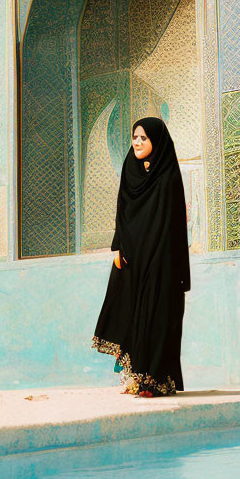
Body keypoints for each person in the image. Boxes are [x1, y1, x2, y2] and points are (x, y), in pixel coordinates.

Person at [91, 117, 190, 397]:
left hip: (161, 258)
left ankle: (156, 381)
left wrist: (161, 259)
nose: (137, 142)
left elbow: (172, 225)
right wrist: (117, 246)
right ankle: (135, 379)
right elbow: (122, 209)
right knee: (130, 314)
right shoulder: (130, 168)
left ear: (156, 142)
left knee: (157, 316)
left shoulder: (168, 174)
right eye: (135, 137)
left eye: (143, 138)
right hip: (132, 256)